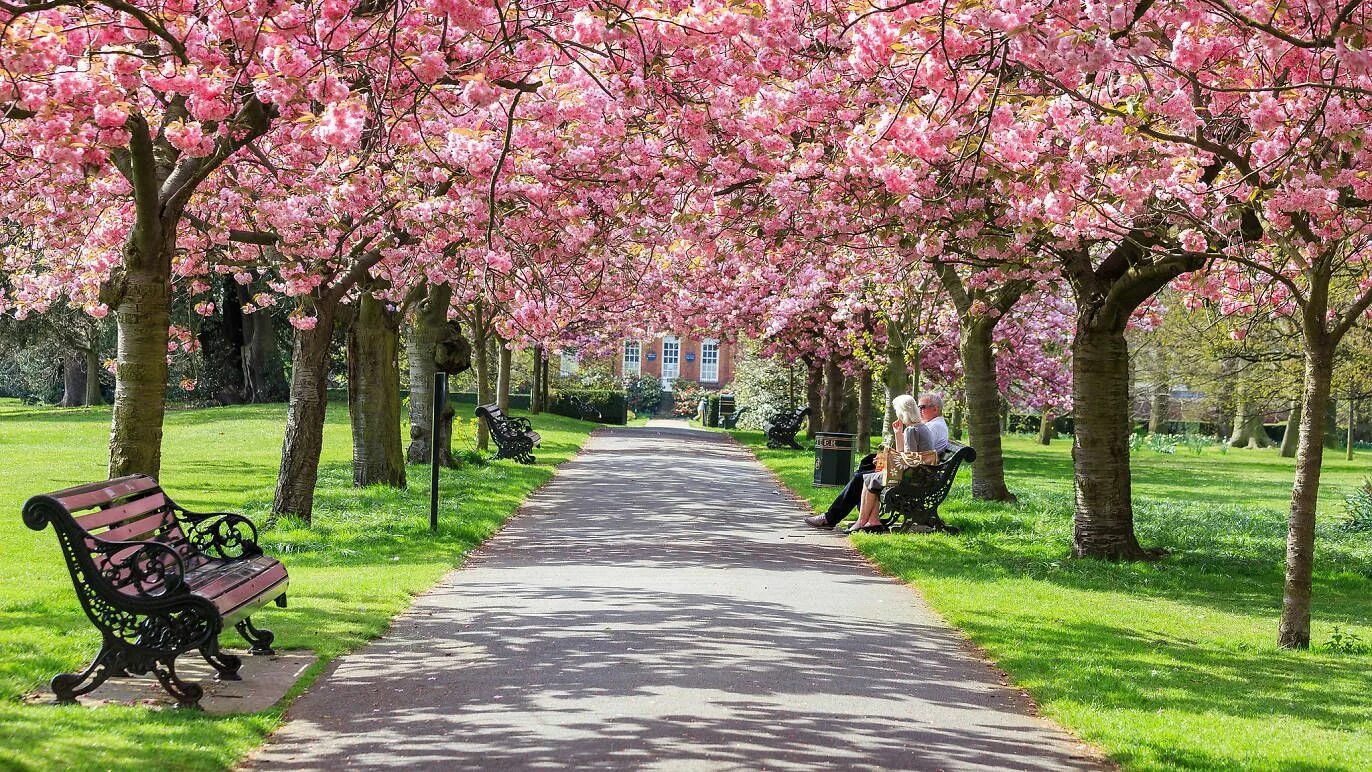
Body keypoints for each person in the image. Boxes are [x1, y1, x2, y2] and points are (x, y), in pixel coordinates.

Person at [804, 392, 949, 531]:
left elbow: (909, 458)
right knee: (865, 469)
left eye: (922, 407)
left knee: (862, 478)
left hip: (915, 475)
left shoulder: (923, 428)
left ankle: (848, 519)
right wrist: (898, 435)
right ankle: (868, 519)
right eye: (919, 407)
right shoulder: (921, 426)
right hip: (918, 472)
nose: (920, 409)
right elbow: (909, 454)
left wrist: (888, 459)